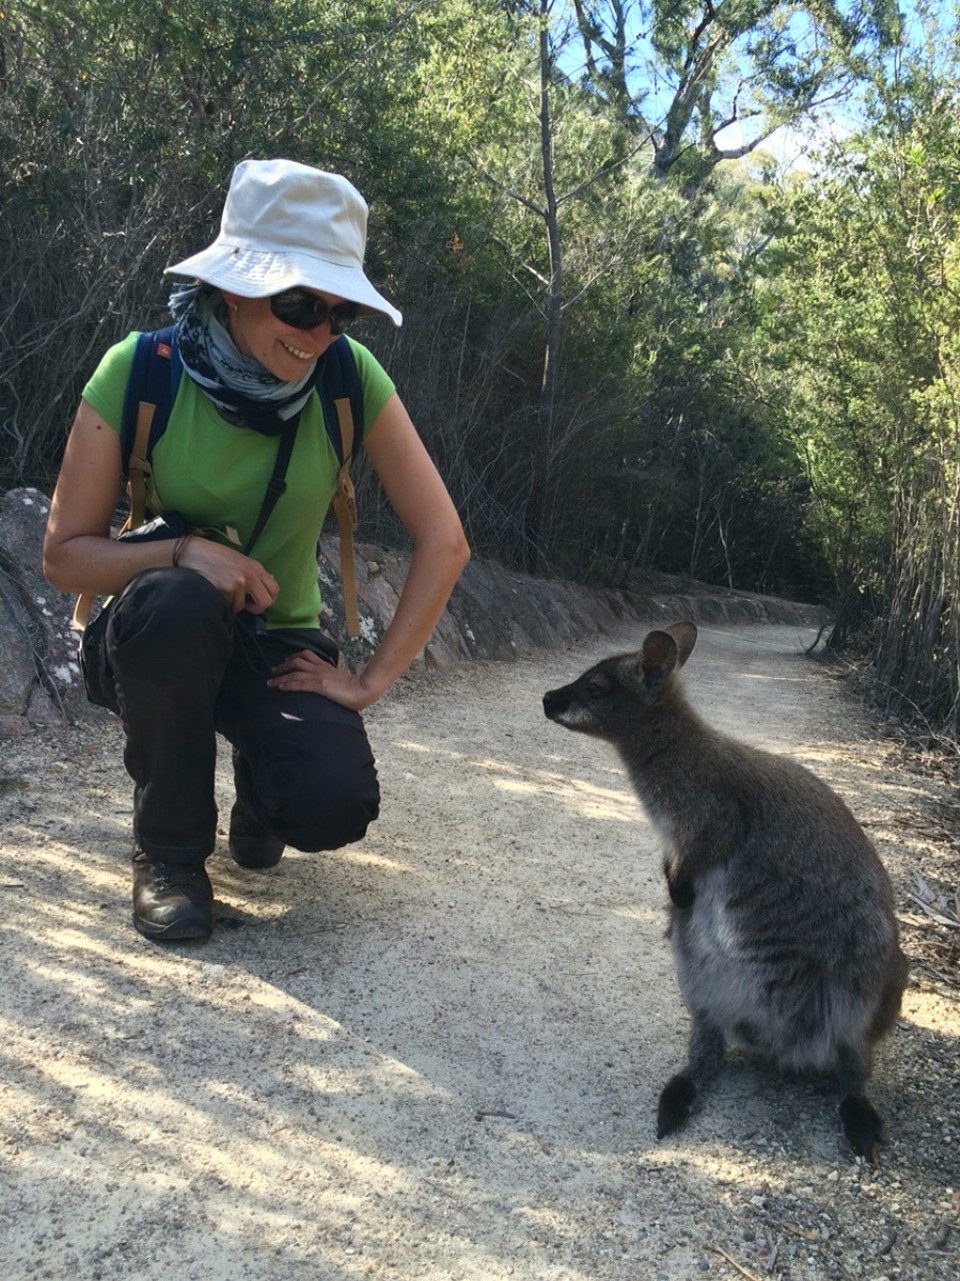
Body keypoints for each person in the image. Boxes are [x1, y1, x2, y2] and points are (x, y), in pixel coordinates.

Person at [43, 158, 470, 945]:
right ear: (234, 285)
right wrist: (182, 553)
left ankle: (262, 790)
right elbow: (64, 556)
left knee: (333, 801)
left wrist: (370, 680)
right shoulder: (138, 372)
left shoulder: (348, 378)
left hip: (278, 646)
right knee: (178, 602)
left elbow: (445, 540)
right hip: (151, 636)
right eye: (299, 303)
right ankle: (169, 855)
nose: (317, 334)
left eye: (338, 312)